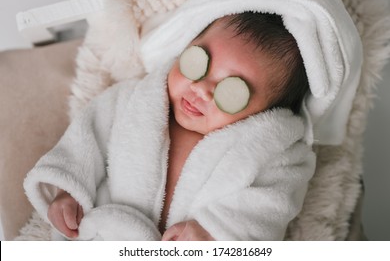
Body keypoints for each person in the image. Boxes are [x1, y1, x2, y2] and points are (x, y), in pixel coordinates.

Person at [24, 12, 315, 241]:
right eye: (199, 62)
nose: (201, 90)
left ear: (267, 113)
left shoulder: (274, 152)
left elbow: (270, 207)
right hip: (108, 236)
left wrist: (212, 232)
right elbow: (86, 140)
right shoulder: (131, 102)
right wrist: (69, 192)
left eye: (232, 91)